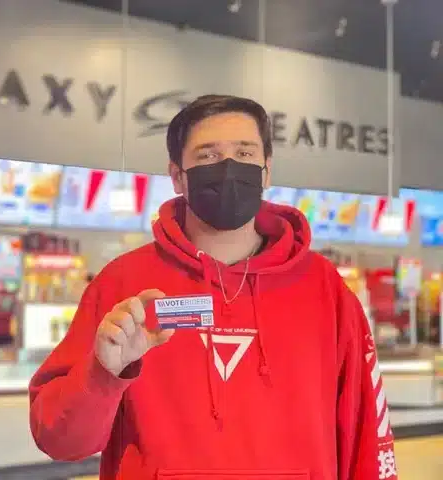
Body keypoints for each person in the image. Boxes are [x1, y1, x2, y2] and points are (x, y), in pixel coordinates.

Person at [29, 95, 398, 480]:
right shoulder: (123, 285)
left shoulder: (326, 290)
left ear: (267, 170)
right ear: (177, 176)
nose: (228, 168)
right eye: (207, 156)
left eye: (244, 152)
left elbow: (368, 440)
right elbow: (60, 440)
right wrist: (104, 372)